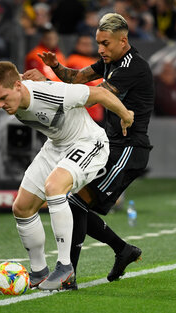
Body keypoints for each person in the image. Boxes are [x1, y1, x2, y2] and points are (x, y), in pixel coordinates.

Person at [23, 13, 154, 285]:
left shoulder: (132, 67)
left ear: (123, 40)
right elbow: (76, 80)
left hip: (128, 149)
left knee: (74, 201)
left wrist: (42, 87)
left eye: (105, 43)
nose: (100, 49)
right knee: (74, 201)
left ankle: (70, 273)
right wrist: (57, 67)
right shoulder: (110, 60)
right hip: (112, 144)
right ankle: (121, 251)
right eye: (98, 43)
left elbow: (92, 96)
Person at [0, 61, 134, 291]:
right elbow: (14, 77)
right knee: (21, 208)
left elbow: (100, 93)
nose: (1, 105)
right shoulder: (16, 86)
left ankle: (65, 267)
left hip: (88, 142)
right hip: (56, 146)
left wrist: (126, 115)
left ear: (17, 87)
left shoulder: (51, 94)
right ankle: (39, 272)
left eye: (3, 98)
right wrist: (25, 76)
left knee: (54, 187)